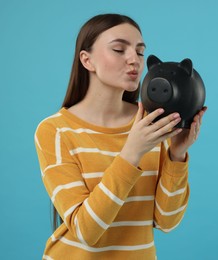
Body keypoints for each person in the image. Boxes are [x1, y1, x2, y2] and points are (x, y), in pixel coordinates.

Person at [34, 13, 206, 259]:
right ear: (87, 60)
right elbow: (86, 231)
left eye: (139, 51)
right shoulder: (56, 131)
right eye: (118, 49)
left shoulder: (151, 124)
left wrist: (176, 155)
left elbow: (167, 222)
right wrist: (131, 152)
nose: (133, 60)